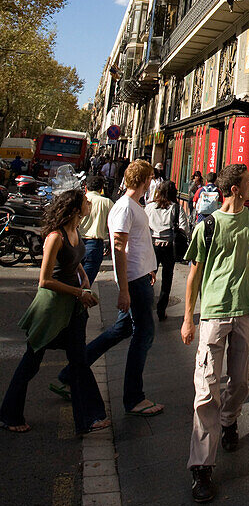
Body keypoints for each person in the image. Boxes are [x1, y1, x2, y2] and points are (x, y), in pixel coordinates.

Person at [182, 164, 249, 504]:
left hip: (247, 310)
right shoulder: (207, 226)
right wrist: (189, 319)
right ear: (235, 189)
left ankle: (230, 419)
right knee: (206, 390)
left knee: (241, 382)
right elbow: (194, 275)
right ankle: (202, 466)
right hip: (215, 315)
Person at [56, 159, 163, 416]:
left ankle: (71, 372)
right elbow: (118, 248)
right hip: (134, 281)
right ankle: (134, 398)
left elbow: (133, 246)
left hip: (138, 277)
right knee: (143, 336)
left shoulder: (131, 205)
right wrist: (124, 288)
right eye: (149, 179)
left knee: (122, 329)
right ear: (145, 180)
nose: (151, 183)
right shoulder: (125, 207)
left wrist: (148, 268)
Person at [1, 190, 108, 434]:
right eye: (85, 201)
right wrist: (78, 293)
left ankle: (90, 418)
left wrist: (84, 282)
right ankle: (9, 414)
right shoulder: (55, 237)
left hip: (72, 309)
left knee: (79, 363)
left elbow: (77, 260)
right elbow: (45, 280)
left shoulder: (76, 230)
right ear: (74, 208)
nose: (89, 203)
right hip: (51, 310)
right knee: (31, 363)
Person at [146, 181, 190, 321]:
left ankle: (144, 307)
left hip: (152, 245)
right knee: (167, 278)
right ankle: (161, 309)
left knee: (149, 276)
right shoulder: (176, 208)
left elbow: (143, 226)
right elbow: (184, 229)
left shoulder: (150, 207)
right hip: (170, 247)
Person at [80, 175, 114, 285]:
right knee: (86, 283)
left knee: (72, 282)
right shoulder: (107, 203)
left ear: (86, 187)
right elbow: (113, 226)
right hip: (94, 246)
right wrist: (110, 243)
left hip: (75, 243)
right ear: (101, 188)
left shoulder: (79, 200)